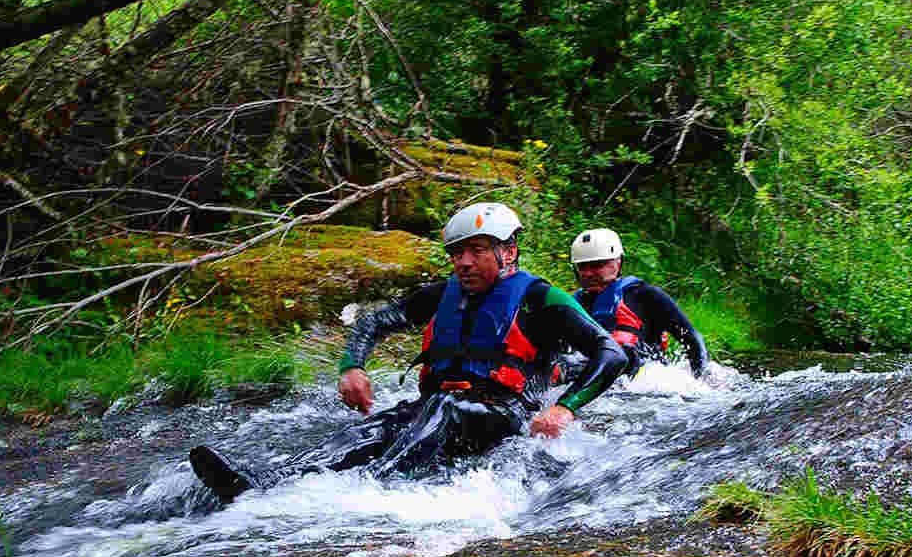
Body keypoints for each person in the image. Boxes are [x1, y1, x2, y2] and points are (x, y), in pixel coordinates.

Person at [189, 202, 627, 502]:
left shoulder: (542, 298)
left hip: (504, 414)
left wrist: (565, 409)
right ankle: (265, 483)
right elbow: (373, 322)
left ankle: (367, 491)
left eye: (476, 251)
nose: (464, 263)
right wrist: (352, 367)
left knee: (444, 408)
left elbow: (611, 355)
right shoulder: (441, 294)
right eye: (457, 253)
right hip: (436, 409)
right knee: (379, 427)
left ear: (508, 251)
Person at [567, 227, 709, 379]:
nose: (588, 273)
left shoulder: (646, 296)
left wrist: (699, 380)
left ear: (618, 262)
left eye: (597, 265)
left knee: (626, 353)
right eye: (583, 266)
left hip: (644, 386)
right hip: (593, 382)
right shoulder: (572, 304)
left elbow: (692, 338)